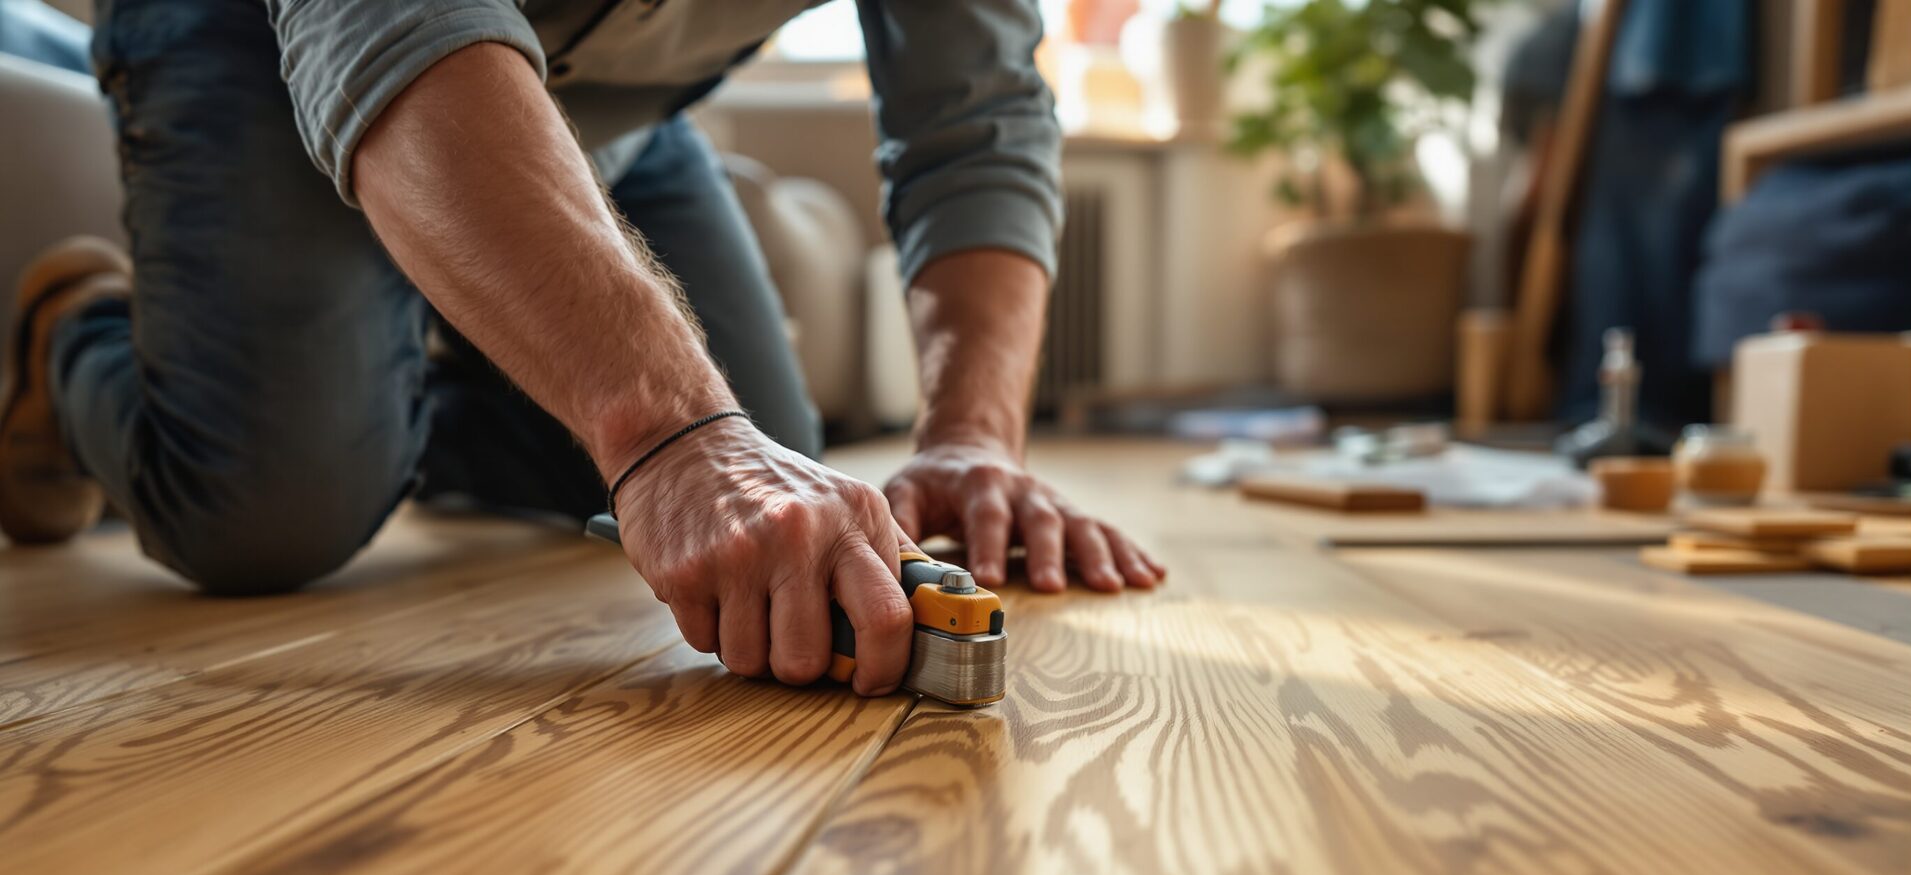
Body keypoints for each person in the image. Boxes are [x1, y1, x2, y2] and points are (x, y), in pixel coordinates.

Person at [0, 0, 1163, 696]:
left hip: (601, 114)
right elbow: (392, 23)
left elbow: (977, 125)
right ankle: (68, 332)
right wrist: (671, 433)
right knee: (265, 514)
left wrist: (972, 437)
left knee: (780, 464)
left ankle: (428, 363)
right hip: (263, 28)